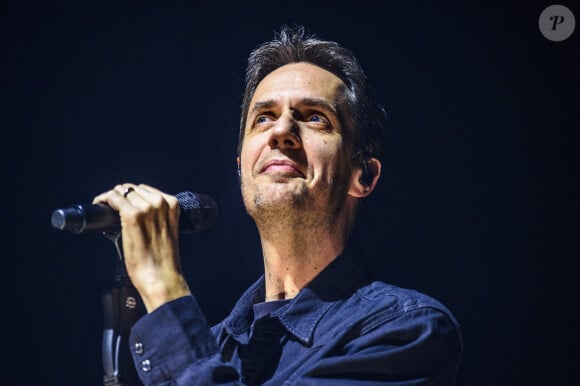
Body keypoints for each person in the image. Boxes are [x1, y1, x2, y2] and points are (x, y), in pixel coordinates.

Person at [94, 25, 463, 385]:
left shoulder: (407, 330)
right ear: (241, 167)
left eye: (315, 118)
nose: (281, 131)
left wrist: (164, 290)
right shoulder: (212, 348)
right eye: (264, 117)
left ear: (363, 175)